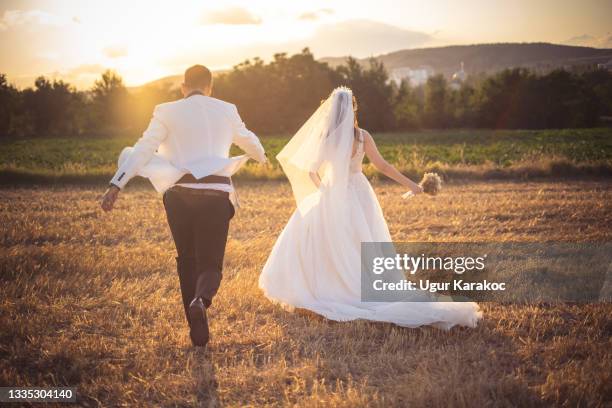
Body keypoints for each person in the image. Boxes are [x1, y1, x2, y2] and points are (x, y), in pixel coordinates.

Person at [259, 87, 482, 329]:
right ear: (353, 108)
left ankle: (327, 286)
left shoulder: (325, 136)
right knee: (365, 240)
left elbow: (311, 170)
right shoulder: (362, 136)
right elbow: (383, 166)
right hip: (359, 192)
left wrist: (324, 190)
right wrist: (412, 185)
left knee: (325, 240)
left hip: (334, 192)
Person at [101, 65, 267, 347]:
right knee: (211, 263)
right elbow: (250, 142)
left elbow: (143, 148)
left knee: (186, 259)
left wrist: (117, 184)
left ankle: (195, 328)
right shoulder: (227, 109)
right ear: (210, 87)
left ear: (183, 87)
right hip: (216, 193)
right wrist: (261, 156)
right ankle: (200, 300)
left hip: (178, 195)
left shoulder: (165, 110)